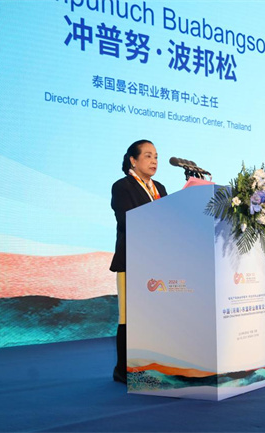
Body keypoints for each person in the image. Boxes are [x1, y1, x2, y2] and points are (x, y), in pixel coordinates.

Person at [110, 139, 168, 383]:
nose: (154, 161)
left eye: (156, 156)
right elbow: (127, 220)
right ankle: (123, 370)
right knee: (129, 317)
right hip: (131, 260)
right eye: (148, 156)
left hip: (157, 261)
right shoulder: (122, 186)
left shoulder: (160, 188)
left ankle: (151, 364)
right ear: (133, 160)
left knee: (154, 317)